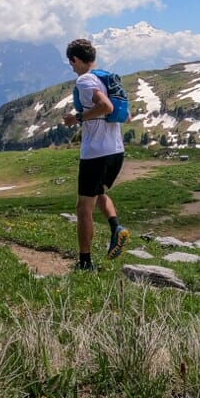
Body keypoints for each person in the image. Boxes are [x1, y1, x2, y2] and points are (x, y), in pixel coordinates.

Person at [62, 38, 130, 271]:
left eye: (71, 63)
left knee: (83, 207)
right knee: (98, 192)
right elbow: (125, 115)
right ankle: (116, 228)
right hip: (116, 150)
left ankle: (85, 262)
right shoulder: (105, 78)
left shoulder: (85, 80)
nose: (72, 67)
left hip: (95, 153)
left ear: (77, 60)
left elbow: (106, 107)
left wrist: (77, 118)